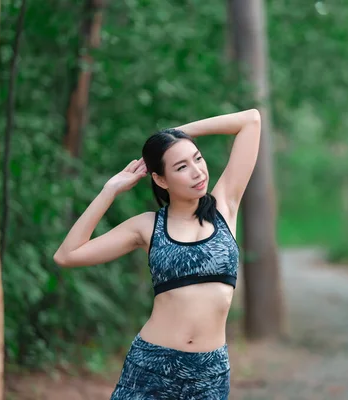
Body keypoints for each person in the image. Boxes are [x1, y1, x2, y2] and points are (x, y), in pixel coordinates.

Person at [53, 109, 262, 399]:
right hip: (152, 368)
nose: (197, 171)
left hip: (209, 373)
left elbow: (250, 120)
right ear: (161, 180)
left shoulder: (224, 208)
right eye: (181, 167)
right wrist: (109, 190)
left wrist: (176, 134)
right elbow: (67, 255)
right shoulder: (148, 226)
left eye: (197, 159)